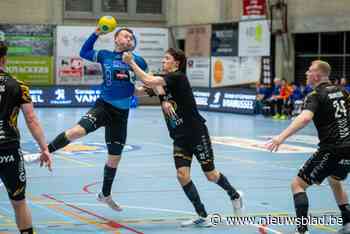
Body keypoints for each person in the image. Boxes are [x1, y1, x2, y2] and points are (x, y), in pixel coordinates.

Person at [123, 48, 243, 227]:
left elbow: (148, 79)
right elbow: (138, 91)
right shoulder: (161, 85)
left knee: (210, 175)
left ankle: (235, 195)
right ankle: (202, 214)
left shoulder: (178, 77)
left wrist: (131, 62)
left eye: (167, 59)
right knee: (182, 175)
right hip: (179, 137)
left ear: (176, 63)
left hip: (196, 133)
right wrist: (121, 81)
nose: (163, 61)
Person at [47, 27, 148, 211]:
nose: (129, 38)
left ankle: (105, 195)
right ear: (116, 39)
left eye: (131, 37)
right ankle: (46, 151)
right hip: (103, 107)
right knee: (75, 132)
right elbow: (84, 52)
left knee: (114, 158)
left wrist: (141, 84)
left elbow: (141, 85)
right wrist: (96, 33)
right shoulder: (104, 55)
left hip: (122, 115)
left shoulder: (138, 60)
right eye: (126, 35)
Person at [265, 60, 350, 234]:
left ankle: (301, 231)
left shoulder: (315, 95)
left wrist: (280, 138)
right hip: (348, 148)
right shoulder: (343, 92)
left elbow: (304, 119)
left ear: (318, 75)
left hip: (331, 149)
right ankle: (348, 223)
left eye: (310, 71)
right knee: (335, 181)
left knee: (297, 185)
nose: (306, 74)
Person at [0, 41, 52, 234]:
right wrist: (44, 148)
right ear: (4, 59)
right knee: (19, 202)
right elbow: (31, 119)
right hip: (9, 151)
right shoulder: (18, 86)